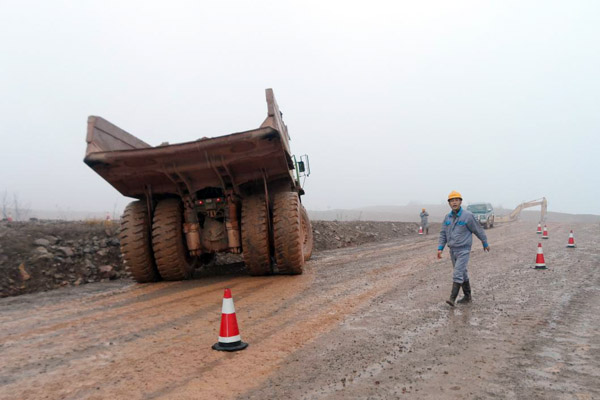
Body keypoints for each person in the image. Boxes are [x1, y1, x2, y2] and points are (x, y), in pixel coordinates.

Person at [437, 191, 490, 306]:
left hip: (464, 250)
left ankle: (452, 299)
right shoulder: (448, 217)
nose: (454, 202)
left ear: (461, 202)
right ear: (449, 203)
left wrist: (484, 242)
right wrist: (440, 247)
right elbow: (443, 234)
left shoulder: (468, 216)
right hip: (453, 251)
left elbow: (478, 229)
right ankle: (467, 296)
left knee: (457, 273)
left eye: (456, 200)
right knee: (463, 273)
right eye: (452, 200)